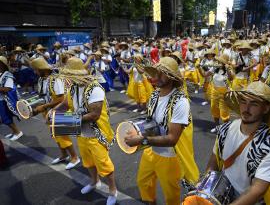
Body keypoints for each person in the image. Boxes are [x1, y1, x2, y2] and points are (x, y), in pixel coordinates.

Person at [206, 81, 270, 205]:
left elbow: (257, 190)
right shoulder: (225, 129)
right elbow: (213, 163)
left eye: (254, 104)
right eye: (243, 101)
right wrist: (206, 190)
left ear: (265, 108)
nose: (246, 108)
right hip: (220, 195)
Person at [125, 57, 199, 205]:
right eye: (155, 73)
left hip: (170, 157)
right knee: (143, 182)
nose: (156, 78)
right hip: (151, 151)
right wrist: (138, 131)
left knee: (171, 195)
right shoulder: (154, 95)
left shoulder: (180, 102)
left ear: (171, 77)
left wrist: (142, 140)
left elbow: (172, 139)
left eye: (161, 74)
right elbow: (151, 123)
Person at [52, 57, 117, 205]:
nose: (66, 79)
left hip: (96, 135)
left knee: (104, 164)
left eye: (68, 75)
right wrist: (54, 112)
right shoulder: (74, 87)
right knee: (88, 162)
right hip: (81, 132)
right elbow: (66, 103)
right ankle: (95, 182)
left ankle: (113, 190)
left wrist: (65, 120)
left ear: (77, 75)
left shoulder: (95, 88)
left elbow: (94, 115)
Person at [30, 58, 80, 170]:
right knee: (55, 135)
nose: (35, 72)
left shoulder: (56, 79)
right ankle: (64, 155)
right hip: (48, 111)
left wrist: (44, 106)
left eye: (36, 70)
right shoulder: (41, 79)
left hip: (60, 110)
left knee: (63, 135)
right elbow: (42, 96)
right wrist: (37, 106)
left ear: (42, 69)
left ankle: (75, 157)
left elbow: (61, 99)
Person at [209, 54, 233, 133]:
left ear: (224, 63)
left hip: (224, 92)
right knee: (214, 108)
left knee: (224, 111)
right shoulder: (214, 69)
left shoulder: (228, 70)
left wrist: (228, 69)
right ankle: (217, 127)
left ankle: (226, 129)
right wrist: (199, 68)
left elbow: (231, 78)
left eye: (220, 62)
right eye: (218, 61)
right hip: (214, 91)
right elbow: (205, 74)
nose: (218, 63)